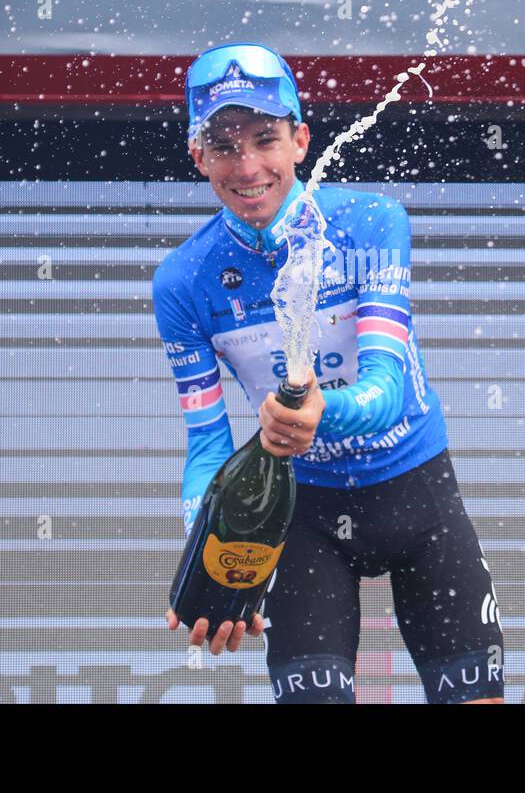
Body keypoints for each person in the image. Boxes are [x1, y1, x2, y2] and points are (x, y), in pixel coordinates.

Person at [151, 42, 504, 704]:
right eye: (224, 146)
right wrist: (216, 552)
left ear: (301, 140)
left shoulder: (370, 223)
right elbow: (206, 449)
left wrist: (318, 411)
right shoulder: (182, 281)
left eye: (265, 138)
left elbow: (388, 391)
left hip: (417, 496)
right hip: (303, 518)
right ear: (198, 156)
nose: (249, 166)